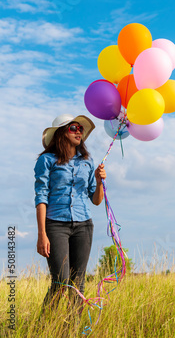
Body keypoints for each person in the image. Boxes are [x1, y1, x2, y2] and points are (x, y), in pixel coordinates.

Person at [34, 113, 106, 319]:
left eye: (80, 129)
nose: (78, 132)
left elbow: (96, 200)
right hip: (56, 225)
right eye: (73, 128)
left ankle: (72, 329)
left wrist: (100, 182)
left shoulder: (87, 161)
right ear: (61, 133)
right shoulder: (46, 160)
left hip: (84, 225)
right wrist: (42, 234)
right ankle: (42, 327)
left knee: (78, 282)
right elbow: (41, 197)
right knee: (60, 282)